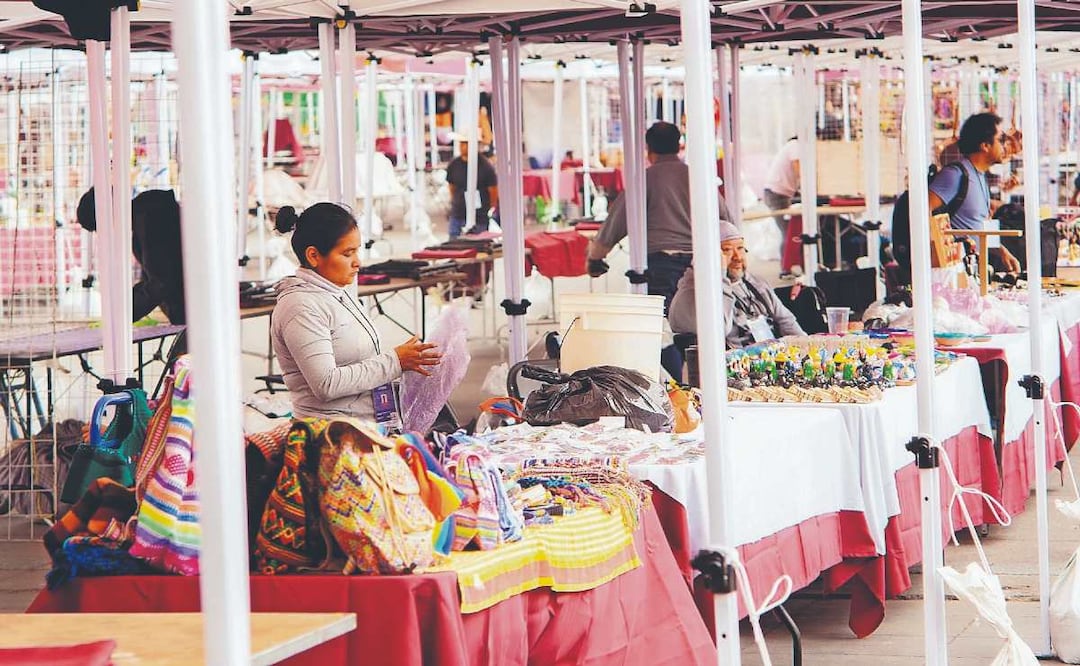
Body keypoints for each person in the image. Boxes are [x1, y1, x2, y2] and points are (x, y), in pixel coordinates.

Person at [271, 203, 441, 422]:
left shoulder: (335, 291)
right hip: (330, 433)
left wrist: (407, 361)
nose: (357, 262)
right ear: (313, 255)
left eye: (357, 251)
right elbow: (326, 384)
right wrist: (395, 361)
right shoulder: (300, 307)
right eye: (347, 253)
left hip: (362, 425)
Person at [586, 121, 733, 312]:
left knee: (664, 326)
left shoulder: (644, 180)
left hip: (661, 265)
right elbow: (726, 221)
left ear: (648, 149)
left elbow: (615, 223)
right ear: (679, 145)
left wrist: (595, 257)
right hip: (702, 262)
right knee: (701, 321)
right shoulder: (700, 178)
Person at [669, 221, 804, 348]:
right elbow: (720, 328)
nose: (738, 257)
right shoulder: (693, 291)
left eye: (740, 248)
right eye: (727, 250)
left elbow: (786, 320)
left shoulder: (754, 282)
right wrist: (720, 275)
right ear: (711, 255)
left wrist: (807, 350)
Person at [76, 187, 186, 325]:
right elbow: (153, 279)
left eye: (99, 229)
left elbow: (160, 283)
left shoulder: (150, 222)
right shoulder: (146, 217)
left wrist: (123, 314)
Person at [929, 112, 1021, 274]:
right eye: (1000, 140)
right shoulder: (954, 175)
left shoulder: (978, 175)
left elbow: (981, 222)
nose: (1005, 146)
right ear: (985, 145)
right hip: (953, 273)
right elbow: (922, 213)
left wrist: (1001, 251)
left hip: (973, 269)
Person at [445, 139, 499, 238]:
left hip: (479, 215)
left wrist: (489, 207)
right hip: (458, 212)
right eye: (461, 144)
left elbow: (493, 190)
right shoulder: (454, 164)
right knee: (453, 241)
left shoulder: (486, 166)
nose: (462, 147)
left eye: (466, 144)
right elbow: (451, 186)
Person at [762, 137, 800, 263]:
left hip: (778, 193)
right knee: (788, 232)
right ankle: (787, 267)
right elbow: (798, 169)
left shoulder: (792, 145)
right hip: (777, 194)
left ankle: (788, 265)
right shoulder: (795, 145)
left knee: (788, 231)